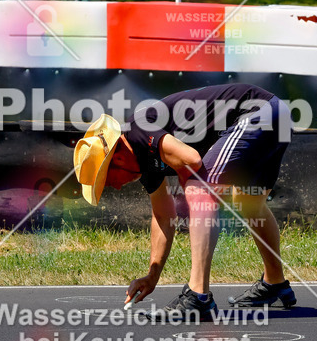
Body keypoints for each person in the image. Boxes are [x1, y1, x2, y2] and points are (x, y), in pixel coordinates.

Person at [73, 84, 296, 321]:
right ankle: (275, 282)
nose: (116, 187)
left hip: (258, 112)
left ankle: (198, 296)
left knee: (199, 188)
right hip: (275, 113)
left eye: (108, 181)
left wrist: (194, 196)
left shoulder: (138, 132)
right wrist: (153, 275)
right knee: (250, 204)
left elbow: (191, 160)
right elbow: (163, 216)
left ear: (116, 157)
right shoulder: (141, 161)